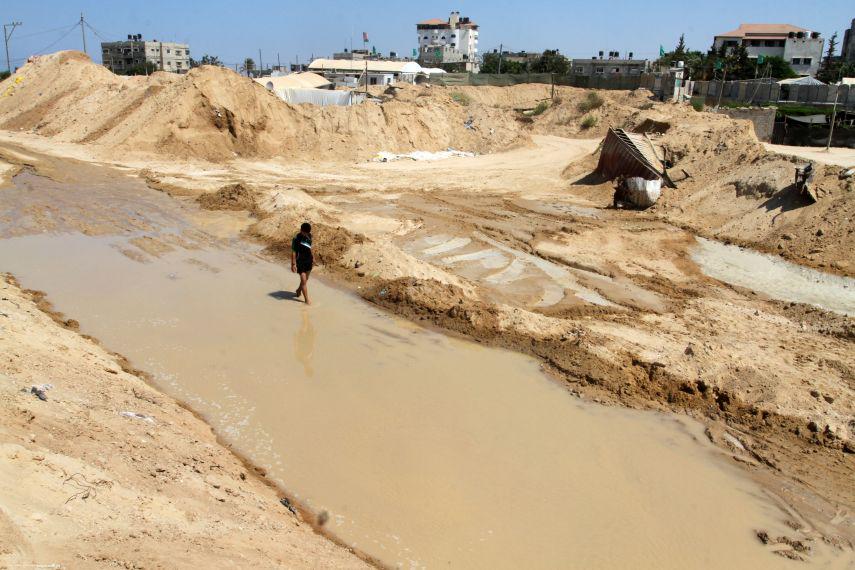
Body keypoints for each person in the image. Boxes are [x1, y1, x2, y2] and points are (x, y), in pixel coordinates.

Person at [291, 222, 313, 305]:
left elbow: (309, 248)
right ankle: (307, 300)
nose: (306, 234)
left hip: (308, 260)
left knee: (305, 280)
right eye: (304, 232)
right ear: (301, 230)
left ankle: (299, 290)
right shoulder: (296, 238)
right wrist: (293, 264)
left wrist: (313, 258)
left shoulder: (309, 236)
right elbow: (293, 252)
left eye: (307, 233)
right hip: (300, 261)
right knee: (303, 280)